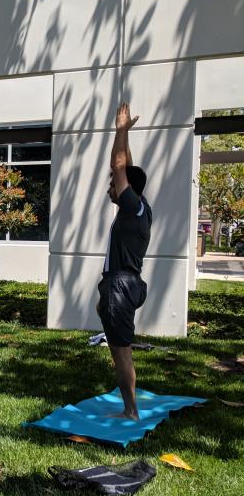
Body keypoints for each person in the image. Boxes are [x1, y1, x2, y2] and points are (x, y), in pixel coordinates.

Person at [97, 102, 152, 420]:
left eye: (113, 186)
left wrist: (119, 131)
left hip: (120, 284)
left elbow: (119, 169)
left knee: (121, 354)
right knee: (106, 318)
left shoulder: (131, 207)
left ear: (126, 190)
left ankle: (130, 411)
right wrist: (126, 136)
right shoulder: (142, 207)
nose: (110, 188)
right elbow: (126, 168)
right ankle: (129, 406)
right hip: (124, 284)